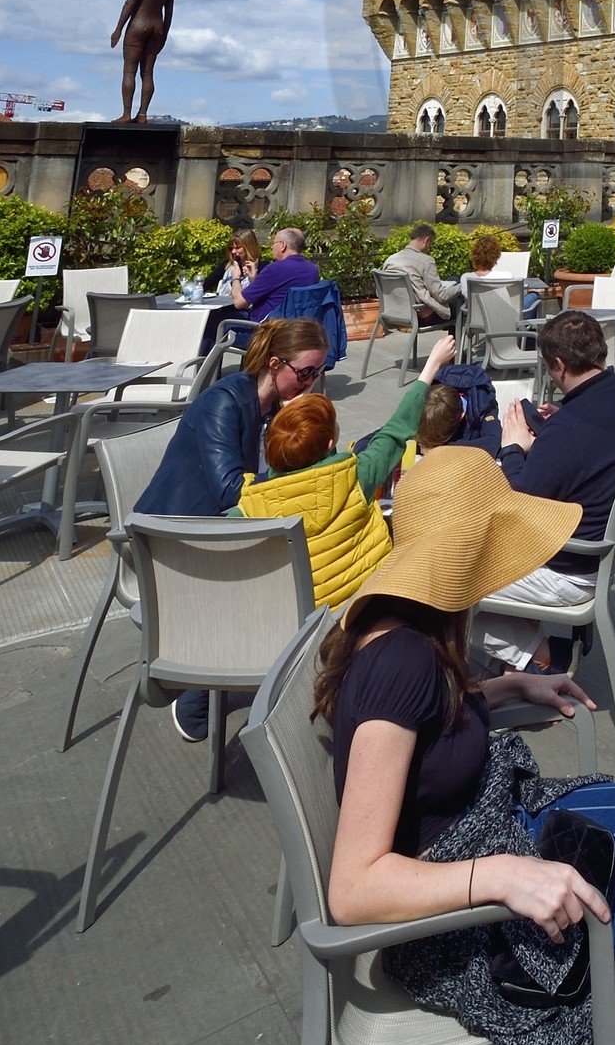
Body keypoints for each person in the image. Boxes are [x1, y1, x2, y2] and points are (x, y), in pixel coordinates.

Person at [316, 444, 615, 1045]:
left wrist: (501, 686)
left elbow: (425, 739)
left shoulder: (418, 628)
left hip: (507, 825)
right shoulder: (402, 663)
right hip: (462, 917)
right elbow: (352, 888)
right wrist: (502, 875)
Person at [137, 315, 329, 741]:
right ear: (276, 364)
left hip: (222, 533)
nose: (312, 383)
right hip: (172, 545)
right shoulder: (225, 402)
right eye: (305, 373)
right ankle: (197, 695)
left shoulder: (273, 409)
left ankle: (280, 680)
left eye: (318, 372)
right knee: (288, 589)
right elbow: (230, 491)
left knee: (311, 572)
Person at [478, 311, 615, 667]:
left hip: (569, 568)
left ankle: (543, 658)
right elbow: (598, 443)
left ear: (559, 365)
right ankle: (530, 637)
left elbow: (518, 504)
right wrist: (555, 425)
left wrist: (513, 446)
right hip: (612, 548)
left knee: (439, 578)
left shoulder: (569, 431)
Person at [231, 333, 459, 607]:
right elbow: (398, 429)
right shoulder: (355, 476)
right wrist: (432, 364)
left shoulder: (251, 507)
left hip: (307, 624)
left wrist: (290, 422)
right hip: (366, 607)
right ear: (330, 443)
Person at [109, 0, 175, 124]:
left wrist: (118, 29)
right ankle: (143, 114)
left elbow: (130, 3)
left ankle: (126, 114)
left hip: (138, 26)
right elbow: (169, 14)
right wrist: (164, 35)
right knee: (148, 73)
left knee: (129, 71)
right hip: (157, 28)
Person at [231, 223, 319, 320]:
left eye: (274, 243)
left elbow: (239, 302)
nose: (272, 247)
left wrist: (235, 277)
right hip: (297, 327)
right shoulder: (312, 269)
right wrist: (254, 280)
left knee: (219, 319)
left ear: (283, 246)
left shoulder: (274, 269)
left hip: (267, 329)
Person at [384, 223, 460, 326]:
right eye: (430, 244)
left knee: (453, 279)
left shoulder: (390, 260)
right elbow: (441, 296)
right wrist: (463, 285)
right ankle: (452, 342)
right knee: (459, 306)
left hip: (394, 313)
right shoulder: (426, 261)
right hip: (421, 315)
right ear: (426, 240)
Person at [216, 230, 261, 299]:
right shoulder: (227, 265)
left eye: (237, 248)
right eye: (231, 248)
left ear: (248, 247)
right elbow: (207, 283)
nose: (233, 251)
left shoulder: (262, 266)